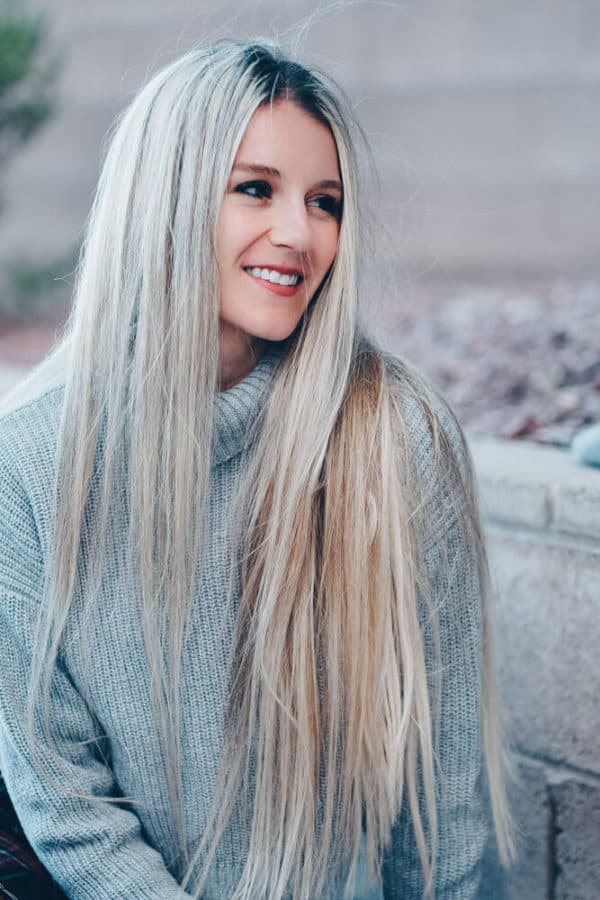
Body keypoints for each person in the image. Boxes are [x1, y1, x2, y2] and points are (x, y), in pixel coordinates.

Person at [0, 40, 514, 899]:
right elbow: (67, 803)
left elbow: (441, 800)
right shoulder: (28, 467)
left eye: (326, 202)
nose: (299, 234)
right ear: (162, 199)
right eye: (254, 189)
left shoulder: (397, 434)